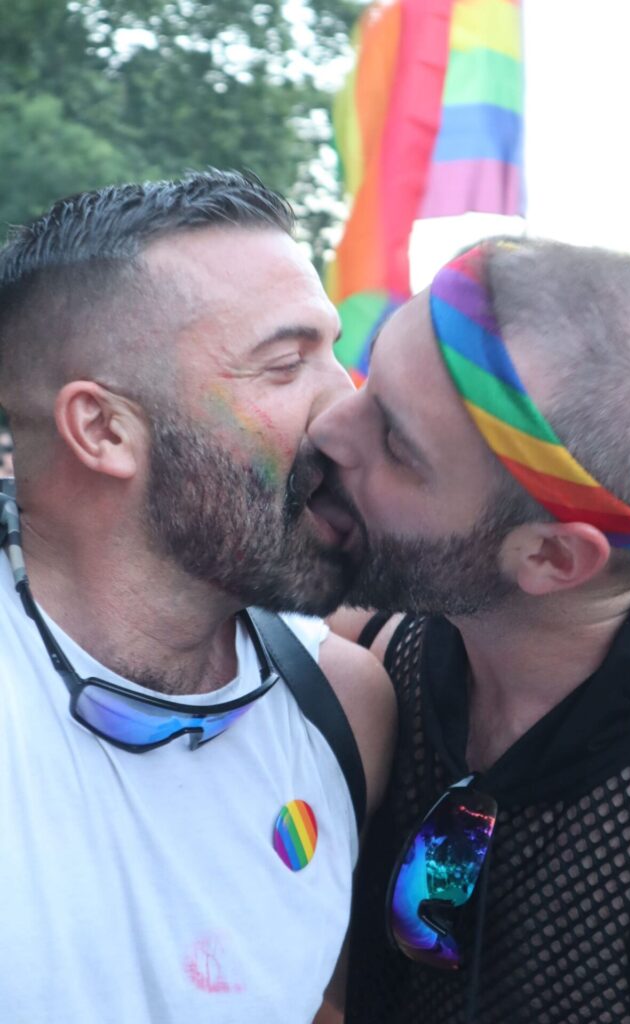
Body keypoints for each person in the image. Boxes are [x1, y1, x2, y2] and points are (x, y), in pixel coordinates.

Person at [0, 170, 395, 1023]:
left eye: (334, 353)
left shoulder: (343, 707)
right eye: (286, 365)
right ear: (103, 429)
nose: (346, 410)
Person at [309, 239, 630, 1024]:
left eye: (396, 444)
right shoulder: (369, 651)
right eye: (365, 376)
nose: (330, 428)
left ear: (549, 555)